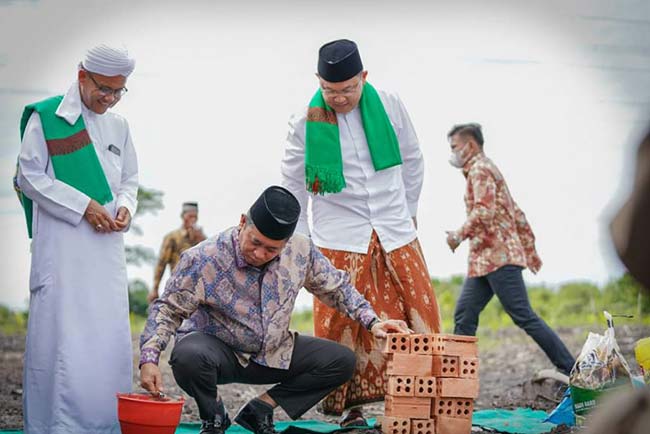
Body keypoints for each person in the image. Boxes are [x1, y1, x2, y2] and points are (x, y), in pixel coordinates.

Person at [139, 186, 410, 434]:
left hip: (274, 353)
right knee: (187, 355)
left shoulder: (301, 250)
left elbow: (338, 288)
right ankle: (214, 414)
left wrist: (373, 322)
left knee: (341, 361)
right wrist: (150, 358)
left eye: (271, 249)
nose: (259, 253)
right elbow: (168, 310)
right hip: (219, 354)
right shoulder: (204, 257)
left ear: (287, 242)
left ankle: (261, 410)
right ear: (243, 222)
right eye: (255, 242)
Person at [280, 38, 441, 425]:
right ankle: (352, 410)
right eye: (330, 91)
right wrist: (301, 245)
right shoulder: (304, 122)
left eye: (348, 89)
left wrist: (410, 210)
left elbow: (413, 158)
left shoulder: (389, 103)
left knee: (417, 314)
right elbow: (292, 187)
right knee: (344, 326)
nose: (339, 98)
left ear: (363, 77)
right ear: (319, 82)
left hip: (395, 228)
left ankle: (414, 404)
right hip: (339, 235)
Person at [14, 44, 138, 434]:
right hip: (64, 249)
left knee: (106, 336)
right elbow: (28, 177)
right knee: (63, 338)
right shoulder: (49, 118)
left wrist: (124, 207)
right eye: (104, 89)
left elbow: (130, 180)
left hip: (106, 251)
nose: (110, 98)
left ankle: (104, 423)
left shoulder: (119, 126)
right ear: (82, 76)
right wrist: (83, 205)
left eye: (119, 91)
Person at [445, 122, 574, 375]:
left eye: (454, 147)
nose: (451, 154)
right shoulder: (485, 169)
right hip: (484, 261)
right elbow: (516, 212)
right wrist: (529, 250)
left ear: (470, 145)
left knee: (523, 315)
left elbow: (484, 211)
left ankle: (570, 368)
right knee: (464, 314)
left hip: (499, 258)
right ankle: (455, 379)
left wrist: (458, 236)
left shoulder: (480, 170)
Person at [149, 201, 206, 303]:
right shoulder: (172, 237)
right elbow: (161, 264)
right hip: (178, 287)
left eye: (195, 217)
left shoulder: (202, 238)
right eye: (190, 216)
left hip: (198, 291)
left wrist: (201, 241)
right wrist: (155, 288)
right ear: (183, 216)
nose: (193, 220)